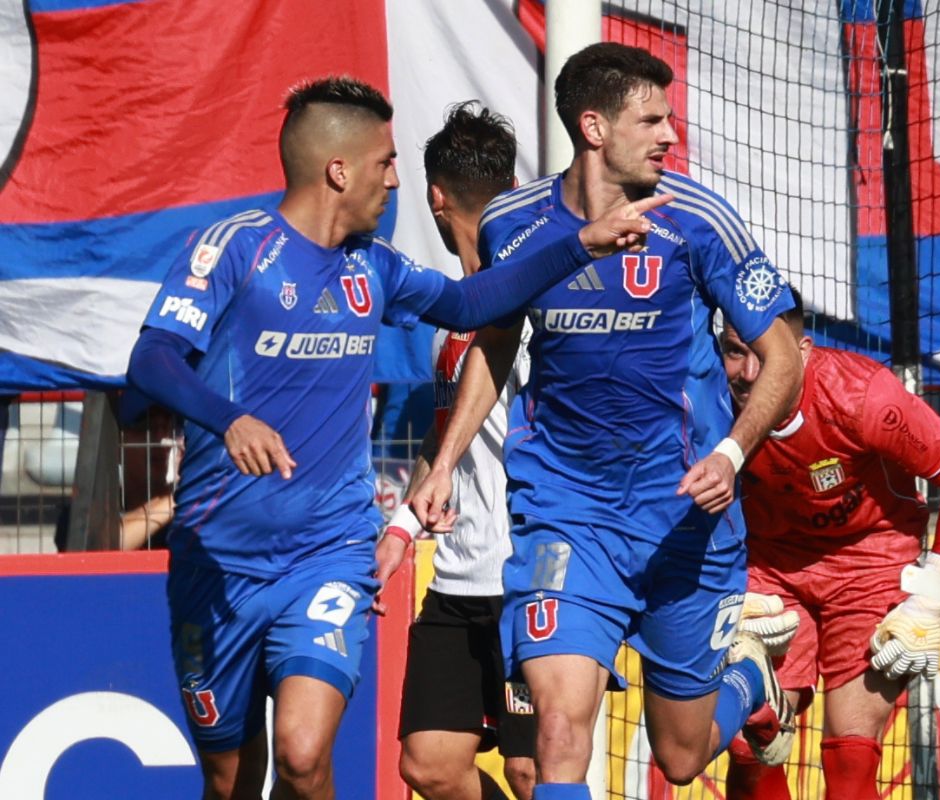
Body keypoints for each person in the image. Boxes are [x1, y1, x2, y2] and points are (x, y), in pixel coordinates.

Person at [124, 75, 670, 800]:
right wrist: (229, 419)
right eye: (384, 163)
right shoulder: (234, 249)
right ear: (337, 170)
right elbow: (151, 359)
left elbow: (472, 302)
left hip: (327, 553)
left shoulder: (374, 266)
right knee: (230, 781)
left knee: (302, 753)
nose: (395, 180)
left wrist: (579, 246)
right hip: (216, 562)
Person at [409, 43, 804, 797]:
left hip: (684, 516)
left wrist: (729, 453)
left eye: (668, 119)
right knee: (556, 736)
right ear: (594, 127)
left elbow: (783, 357)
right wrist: (445, 464)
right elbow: (494, 341)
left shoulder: (699, 220)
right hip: (567, 514)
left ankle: (749, 677)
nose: (669, 135)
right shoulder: (512, 223)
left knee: (680, 757)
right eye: (651, 120)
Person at [718, 288, 940, 800]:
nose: (749, 373)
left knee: (849, 760)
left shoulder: (864, 397)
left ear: (802, 352)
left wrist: (930, 601)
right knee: (746, 742)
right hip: (769, 566)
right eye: (734, 352)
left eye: (763, 353)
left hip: (869, 560)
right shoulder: (705, 397)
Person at [373, 102, 536, 800]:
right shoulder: (454, 324)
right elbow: (447, 438)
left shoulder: (540, 309)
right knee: (429, 765)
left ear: (435, 198)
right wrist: (402, 527)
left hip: (530, 575)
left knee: (533, 771)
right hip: (458, 579)